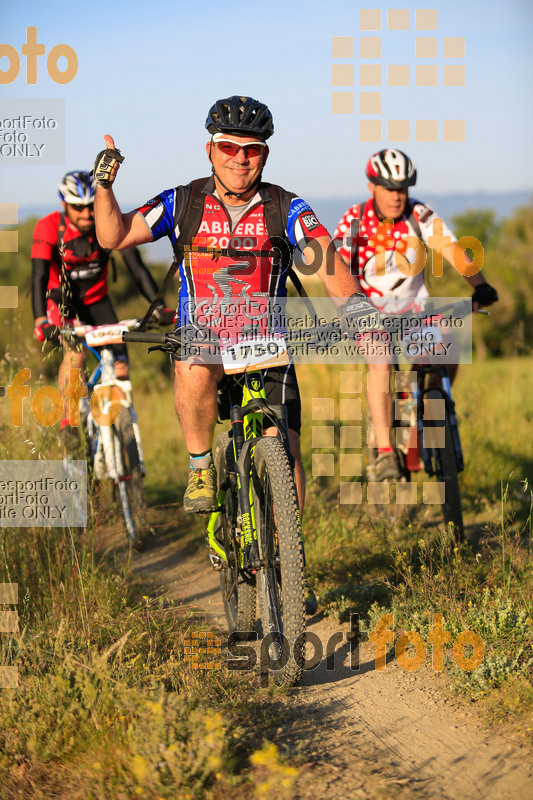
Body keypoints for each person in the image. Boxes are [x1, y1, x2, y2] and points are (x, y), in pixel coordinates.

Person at [93, 95, 377, 614]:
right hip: (204, 335)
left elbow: (325, 258)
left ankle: (291, 565)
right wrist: (104, 185)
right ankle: (201, 465)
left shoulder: (285, 206)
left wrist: (358, 312)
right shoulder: (184, 201)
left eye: (252, 150)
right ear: (210, 149)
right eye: (228, 147)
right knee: (193, 359)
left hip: (267, 343)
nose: (239, 159)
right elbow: (113, 235)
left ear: (264, 155)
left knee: (285, 458)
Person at [334, 148, 498, 481]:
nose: (397, 195)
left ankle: (430, 408)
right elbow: (335, 270)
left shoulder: (417, 214)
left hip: (414, 311)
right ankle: (384, 453)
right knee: (380, 364)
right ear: (372, 187)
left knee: (446, 348)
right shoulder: (354, 219)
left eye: (403, 188)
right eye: (389, 188)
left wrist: (479, 285)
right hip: (370, 314)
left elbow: (453, 250)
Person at [31, 170, 173, 442]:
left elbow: (138, 269)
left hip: (98, 301)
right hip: (62, 303)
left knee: (120, 367)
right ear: (64, 205)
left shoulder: (107, 224)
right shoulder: (48, 227)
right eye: (78, 207)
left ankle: (120, 443)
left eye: (90, 207)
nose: (86, 214)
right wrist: (40, 320)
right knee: (76, 357)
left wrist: (157, 308)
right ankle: (69, 427)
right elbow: (38, 276)